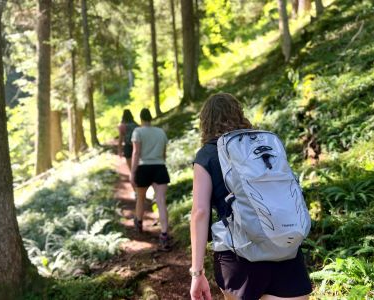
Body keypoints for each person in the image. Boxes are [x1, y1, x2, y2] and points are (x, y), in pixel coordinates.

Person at [190, 93, 312, 300]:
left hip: (238, 257)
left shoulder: (208, 154)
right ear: (239, 114)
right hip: (285, 248)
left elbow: (200, 212)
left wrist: (197, 272)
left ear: (205, 122)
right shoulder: (264, 147)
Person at [130, 108, 171, 251]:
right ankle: (164, 234)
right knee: (161, 201)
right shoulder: (160, 132)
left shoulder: (138, 132)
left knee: (140, 198)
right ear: (151, 118)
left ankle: (139, 223)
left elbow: (136, 153)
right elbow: (164, 154)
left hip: (143, 168)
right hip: (160, 167)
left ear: (141, 118)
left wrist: (132, 172)